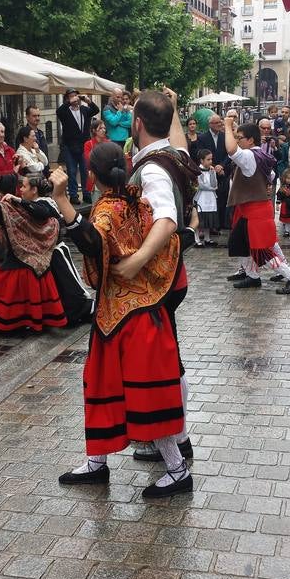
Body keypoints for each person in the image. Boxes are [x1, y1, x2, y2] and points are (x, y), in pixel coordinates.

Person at [51, 146, 193, 499]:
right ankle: (97, 462)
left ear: (92, 176)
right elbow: (171, 239)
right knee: (107, 384)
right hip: (132, 314)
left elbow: (91, 240)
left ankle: (177, 470)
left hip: (128, 318)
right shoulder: (139, 202)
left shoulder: (109, 210)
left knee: (140, 393)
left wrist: (61, 201)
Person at [112, 88, 199, 466]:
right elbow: (177, 141)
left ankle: (178, 440)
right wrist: (174, 109)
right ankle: (171, 439)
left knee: (166, 361)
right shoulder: (173, 155)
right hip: (172, 275)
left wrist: (137, 260)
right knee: (167, 357)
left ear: (138, 124)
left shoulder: (151, 169)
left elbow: (166, 218)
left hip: (159, 279)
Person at [0, 170, 66, 332]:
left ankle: (11, 325)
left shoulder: (39, 205)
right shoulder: (22, 207)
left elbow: (40, 211)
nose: (21, 189)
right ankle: (20, 324)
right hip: (34, 263)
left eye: (24, 186)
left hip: (26, 262)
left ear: (34, 190)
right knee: (21, 299)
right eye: (20, 186)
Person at [224, 119, 290, 294]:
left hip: (255, 211)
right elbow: (271, 174)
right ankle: (253, 277)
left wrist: (227, 125)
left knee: (262, 252)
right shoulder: (260, 154)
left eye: (240, 138)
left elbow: (231, 150)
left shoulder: (249, 155)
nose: (237, 141)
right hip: (249, 209)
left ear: (251, 140)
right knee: (240, 244)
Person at [56, 88, 99, 204]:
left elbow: (96, 110)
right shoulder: (65, 111)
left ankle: (86, 193)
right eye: (71, 96)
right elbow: (59, 112)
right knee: (72, 171)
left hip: (83, 145)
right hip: (70, 146)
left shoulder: (84, 110)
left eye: (76, 96)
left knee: (85, 170)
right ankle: (73, 195)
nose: (74, 98)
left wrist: (88, 101)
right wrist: (69, 102)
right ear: (67, 99)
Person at [198, 113, 230, 228]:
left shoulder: (224, 136)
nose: (218, 125)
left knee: (222, 198)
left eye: (219, 122)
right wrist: (213, 166)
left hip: (223, 172)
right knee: (210, 200)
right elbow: (202, 154)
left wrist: (221, 166)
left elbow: (229, 153)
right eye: (216, 123)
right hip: (209, 170)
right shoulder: (202, 138)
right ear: (210, 124)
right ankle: (210, 226)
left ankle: (220, 224)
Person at [193, 149, 218, 247]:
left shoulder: (212, 170)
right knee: (199, 219)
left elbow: (214, 183)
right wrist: (213, 188)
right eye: (208, 159)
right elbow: (201, 185)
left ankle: (207, 238)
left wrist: (212, 174)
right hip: (201, 198)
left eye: (211, 159)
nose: (210, 161)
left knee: (209, 218)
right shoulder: (197, 171)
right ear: (201, 160)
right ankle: (197, 239)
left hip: (210, 198)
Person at [83, 119, 107, 201]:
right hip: (95, 179)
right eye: (100, 128)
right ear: (94, 130)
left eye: (104, 128)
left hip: (107, 179)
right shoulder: (88, 144)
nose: (103, 130)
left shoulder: (109, 143)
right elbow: (88, 161)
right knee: (96, 204)